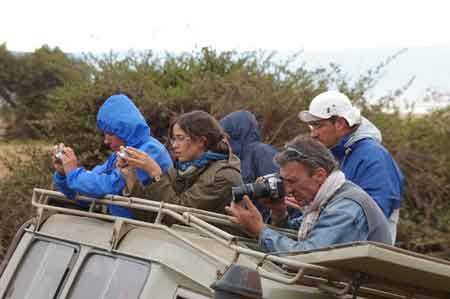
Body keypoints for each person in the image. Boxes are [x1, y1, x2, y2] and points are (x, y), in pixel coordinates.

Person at [226, 136, 392, 253]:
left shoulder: (345, 208)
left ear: (319, 175)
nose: (287, 190)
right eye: (284, 182)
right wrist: (279, 213)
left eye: (292, 181)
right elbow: (301, 235)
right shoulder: (328, 198)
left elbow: (307, 257)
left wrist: (260, 229)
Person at [298, 91, 404, 243]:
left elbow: (371, 218)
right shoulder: (336, 155)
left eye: (318, 125)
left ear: (340, 124)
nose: (313, 134)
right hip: (340, 252)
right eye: (311, 126)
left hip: (363, 260)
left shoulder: (373, 156)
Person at [52, 94, 173, 218]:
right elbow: (87, 190)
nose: (106, 141)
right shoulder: (122, 153)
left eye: (110, 133)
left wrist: (73, 173)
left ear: (126, 130)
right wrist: (63, 174)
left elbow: (109, 185)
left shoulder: (149, 150)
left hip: (146, 230)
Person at [120, 110, 243, 213]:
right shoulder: (180, 169)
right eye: (173, 139)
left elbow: (178, 215)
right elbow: (152, 215)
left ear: (201, 141)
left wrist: (155, 173)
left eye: (180, 138)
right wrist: (130, 177)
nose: (174, 145)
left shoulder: (224, 176)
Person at [219, 110, 280, 219]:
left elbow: (275, 189)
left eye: (226, 136)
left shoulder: (262, 152)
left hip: (264, 221)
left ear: (236, 133)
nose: (223, 141)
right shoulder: (234, 157)